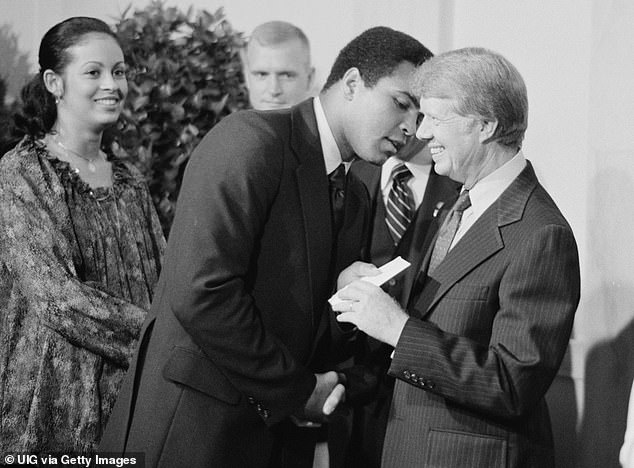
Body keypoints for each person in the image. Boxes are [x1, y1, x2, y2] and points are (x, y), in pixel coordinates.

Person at [99, 26, 429, 468]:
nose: (410, 127)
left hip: (273, 440)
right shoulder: (250, 140)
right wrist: (298, 391)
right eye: (401, 103)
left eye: (419, 115)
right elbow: (202, 292)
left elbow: (308, 324)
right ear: (351, 84)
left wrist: (347, 299)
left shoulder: (358, 191)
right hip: (195, 434)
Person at [333, 47, 581, 468]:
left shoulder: (542, 234)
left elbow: (512, 382)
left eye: (435, 118)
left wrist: (398, 328)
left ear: (485, 125)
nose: (421, 132)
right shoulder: (463, 201)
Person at [0, 17, 165, 454]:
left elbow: (163, 285)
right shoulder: (20, 175)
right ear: (54, 82)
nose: (112, 84)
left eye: (120, 71)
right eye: (93, 72)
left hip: (133, 404)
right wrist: (160, 337)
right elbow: (57, 298)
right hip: (53, 405)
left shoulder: (131, 181)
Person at [347, 137, 460, 467]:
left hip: (426, 400)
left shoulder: (461, 186)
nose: (411, 125)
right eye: (400, 103)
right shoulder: (351, 174)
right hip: (349, 399)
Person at [242, 20, 315, 110]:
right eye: (262, 74)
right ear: (247, 77)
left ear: (310, 79)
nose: (274, 90)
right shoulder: (227, 123)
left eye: (286, 76)